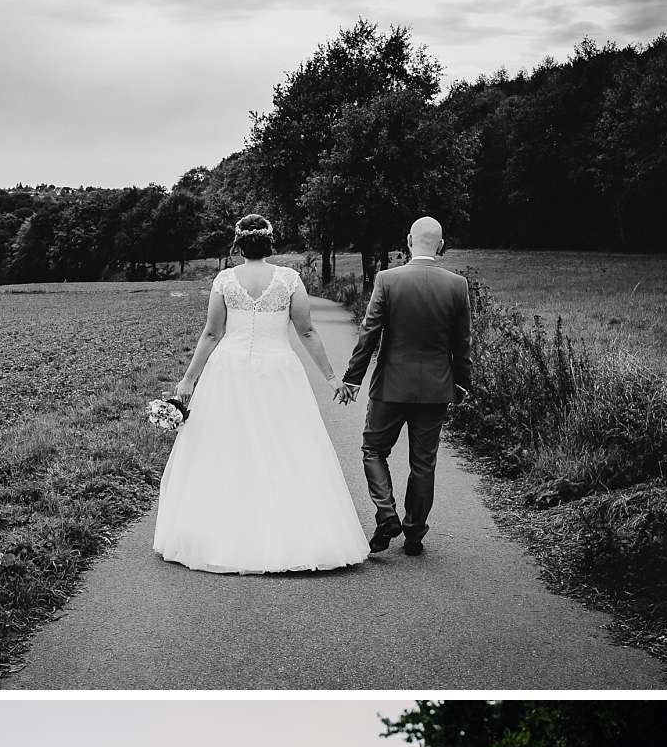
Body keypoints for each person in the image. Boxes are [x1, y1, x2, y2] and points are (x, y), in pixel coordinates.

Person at [154, 214, 370, 574]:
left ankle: (224, 533)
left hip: (229, 371)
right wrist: (332, 378)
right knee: (287, 445)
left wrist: (189, 379)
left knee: (227, 447)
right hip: (278, 371)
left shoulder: (225, 280)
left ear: (239, 245)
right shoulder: (289, 280)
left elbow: (212, 334)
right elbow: (307, 332)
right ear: (271, 243)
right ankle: (291, 535)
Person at [336, 216, 472, 556]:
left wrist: (353, 377)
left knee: (373, 450)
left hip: (390, 387)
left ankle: (386, 513)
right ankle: (413, 534)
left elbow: (369, 333)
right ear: (440, 245)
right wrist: (463, 385)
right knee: (423, 463)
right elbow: (463, 342)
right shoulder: (457, 285)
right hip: (435, 389)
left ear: (409, 240)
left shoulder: (387, 280)